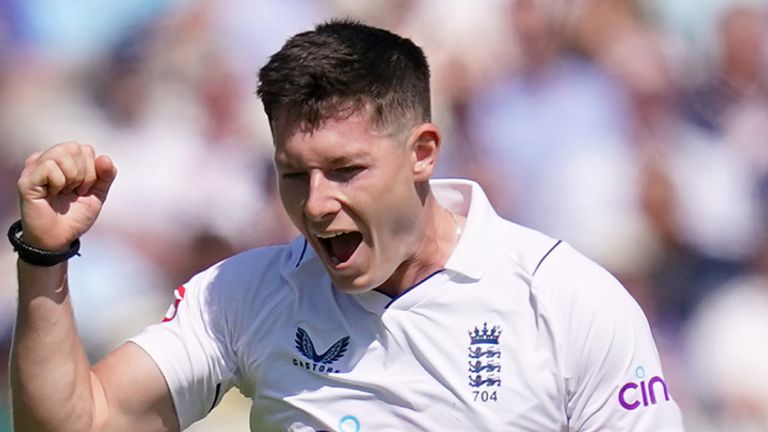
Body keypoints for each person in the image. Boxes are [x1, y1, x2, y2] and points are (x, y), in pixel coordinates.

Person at [9, 19, 684, 431]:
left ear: (422, 153)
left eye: (345, 170)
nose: (317, 203)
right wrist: (44, 252)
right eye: (294, 173)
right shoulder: (243, 297)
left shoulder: (565, 300)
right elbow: (79, 424)